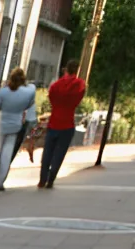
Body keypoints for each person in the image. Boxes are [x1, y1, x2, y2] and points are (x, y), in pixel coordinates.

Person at [0, 67, 37, 191]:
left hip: (1, 123)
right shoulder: (27, 93)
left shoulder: (4, 92)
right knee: (7, 154)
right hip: (15, 125)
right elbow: (30, 104)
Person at [39, 57, 86, 188]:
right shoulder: (79, 84)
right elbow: (80, 95)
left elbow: (51, 97)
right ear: (77, 70)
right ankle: (51, 179)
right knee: (59, 153)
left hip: (54, 121)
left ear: (66, 69)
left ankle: (43, 178)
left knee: (47, 151)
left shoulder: (56, 85)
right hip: (67, 123)